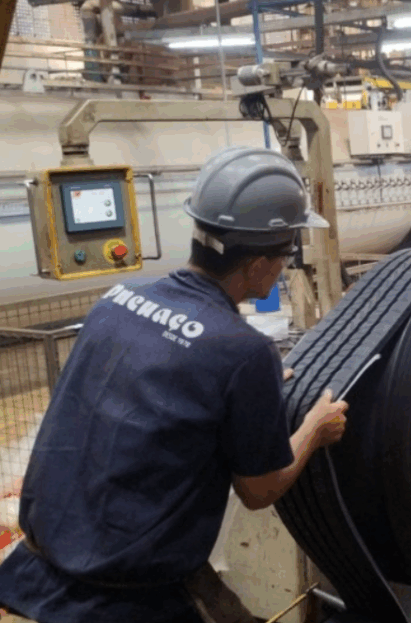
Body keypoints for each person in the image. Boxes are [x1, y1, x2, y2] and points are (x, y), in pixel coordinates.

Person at [0, 146, 349, 623]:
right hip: (126, 595)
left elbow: (165, 375)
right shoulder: (243, 352)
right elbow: (259, 491)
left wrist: (252, 388)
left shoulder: (115, 301)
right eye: (286, 254)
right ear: (257, 266)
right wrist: (314, 428)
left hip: (38, 563)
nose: (286, 265)